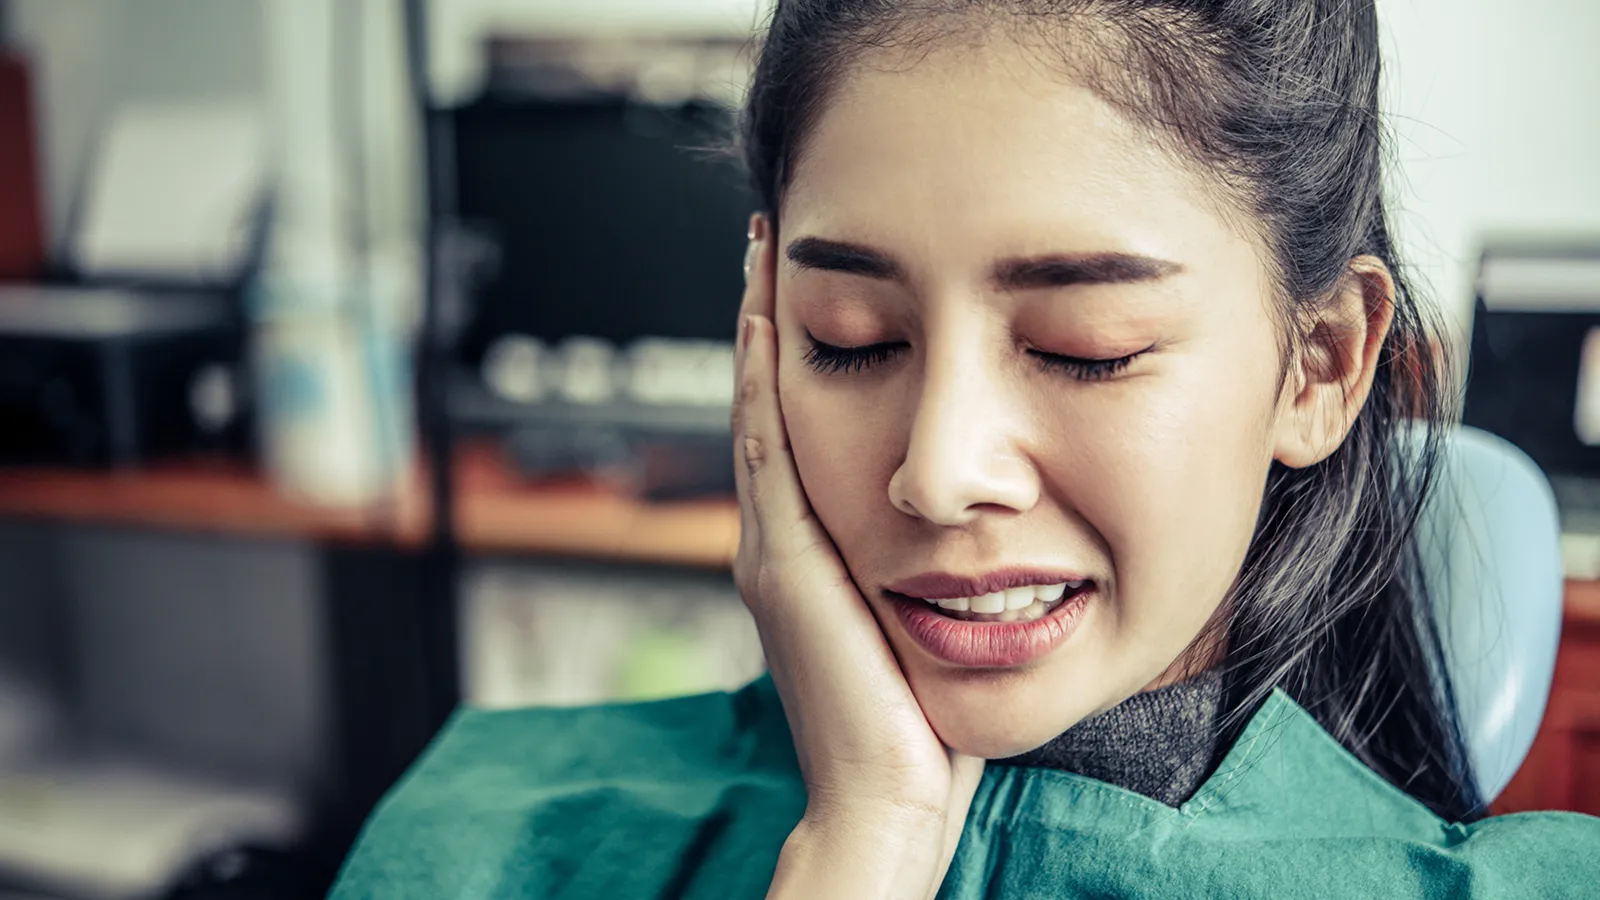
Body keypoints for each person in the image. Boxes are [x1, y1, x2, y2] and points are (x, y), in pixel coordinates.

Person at [330, 1, 1600, 897]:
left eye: (1084, 346)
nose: (937, 471)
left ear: (1315, 364)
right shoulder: (481, 839)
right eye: (850, 338)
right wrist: (862, 845)